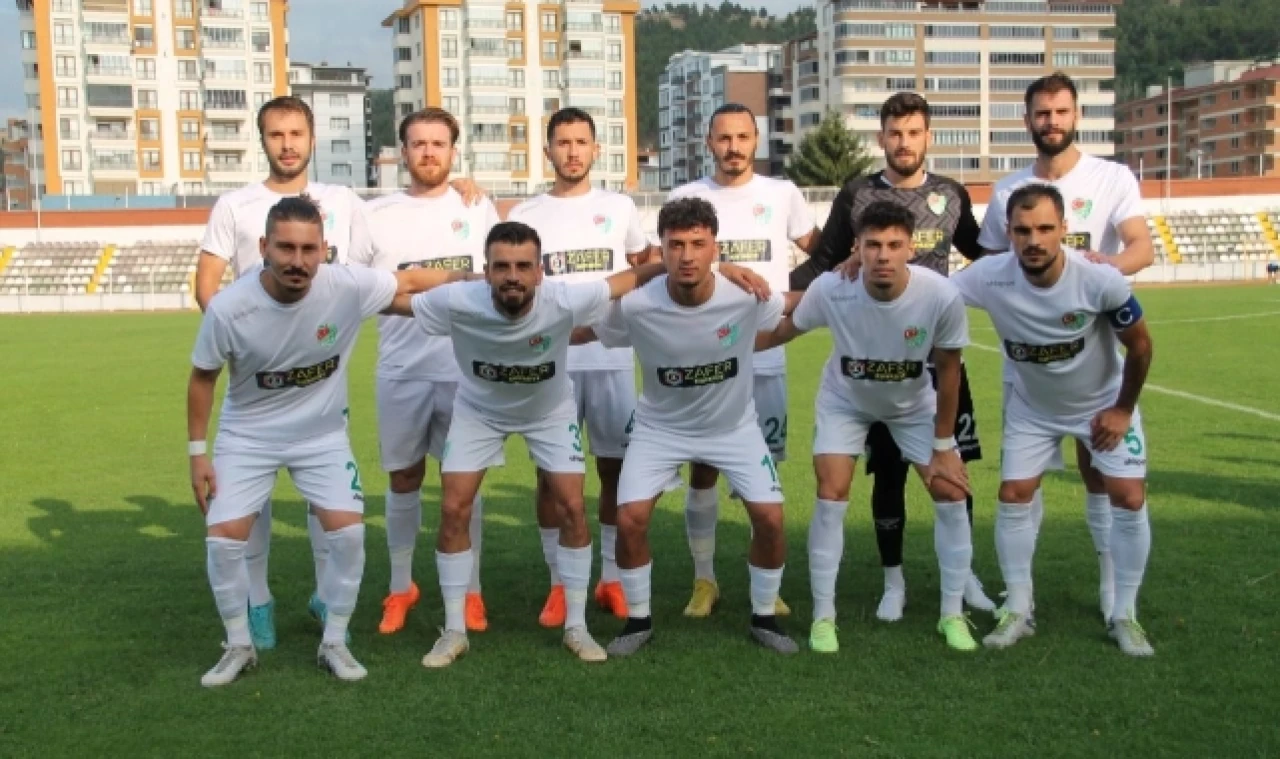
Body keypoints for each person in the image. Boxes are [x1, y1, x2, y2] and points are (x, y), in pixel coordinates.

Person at [187, 195, 474, 687]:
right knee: (223, 538)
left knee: (348, 534)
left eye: (308, 249)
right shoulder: (230, 308)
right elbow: (202, 378)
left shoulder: (344, 285)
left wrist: (473, 279)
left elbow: (407, 281)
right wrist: (198, 454)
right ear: (264, 246)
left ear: (324, 249)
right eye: (286, 248)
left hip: (320, 435)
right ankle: (238, 645)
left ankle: (334, 642)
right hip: (248, 436)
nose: (297, 261)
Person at [790, 91, 994, 622]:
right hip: (876, 355)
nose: (904, 142)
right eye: (895, 133)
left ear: (928, 137)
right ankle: (892, 580)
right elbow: (824, 260)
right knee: (888, 474)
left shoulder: (950, 194)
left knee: (952, 472)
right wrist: (771, 293)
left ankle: (965, 575)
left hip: (936, 355)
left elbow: (982, 254)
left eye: (914, 132)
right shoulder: (857, 194)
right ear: (881, 137)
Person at [575, 197, 796, 656]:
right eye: (676, 245)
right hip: (660, 430)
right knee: (630, 519)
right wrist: (527, 335)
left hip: (734, 428)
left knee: (771, 520)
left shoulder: (745, 295)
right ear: (661, 249)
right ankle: (638, 622)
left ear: (716, 247)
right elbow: (588, 329)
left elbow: (793, 309)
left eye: (698, 244)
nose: (687, 255)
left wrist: (848, 280)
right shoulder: (636, 306)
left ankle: (764, 617)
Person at [760, 201, 978, 653]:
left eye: (894, 245)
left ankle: (952, 614)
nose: (883, 255)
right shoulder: (832, 288)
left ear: (911, 248)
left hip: (912, 406)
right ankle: (824, 618)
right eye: (873, 244)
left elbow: (949, 371)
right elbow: (783, 331)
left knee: (952, 492)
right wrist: (720, 345)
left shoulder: (940, 295)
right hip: (846, 403)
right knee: (831, 492)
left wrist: (943, 446)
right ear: (856, 248)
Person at [194, 95, 371, 651]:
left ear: (312, 139)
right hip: (258, 377)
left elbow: (371, 272)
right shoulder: (236, 205)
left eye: (297, 133)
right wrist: (254, 340)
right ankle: (259, 600)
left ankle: (326, 596)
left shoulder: (343, 200)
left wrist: (461, 188)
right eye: (276, 134)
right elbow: (207, 285)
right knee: (250, 500)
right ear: (263, 140)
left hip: (320, 376)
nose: (287, 144)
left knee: (328, 496)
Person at [977, 73, 1155, 622]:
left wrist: (1097, 275)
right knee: (1020, 487)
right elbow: (992, 269)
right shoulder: (1007, 191)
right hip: (1026, 366)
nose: (1051, 121)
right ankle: (1020, 599)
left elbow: (1142, 247)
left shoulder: (1110, 176)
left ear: (1076, 115)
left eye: (1060, 111)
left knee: (1099, 474)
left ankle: (1112, 588)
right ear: (1027, 120)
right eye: (1042, 113)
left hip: (1091, 350)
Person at [954, 184, 1155, 657]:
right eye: (1022, 230)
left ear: (1064, 228)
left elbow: (1141, 346)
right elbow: (926, 289)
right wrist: (860, 263)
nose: (1034, 240)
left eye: (1045, 228)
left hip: (1102, 404)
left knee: (1128, 496)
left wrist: (1122, 409)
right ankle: (1018, 609)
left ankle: (1124, 614)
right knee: (1013, 494)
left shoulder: (1099, 279)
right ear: (1009, 232)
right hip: (1034, 409)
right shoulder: (988, 276)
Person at [666, 102, 821, 618]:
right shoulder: (686, 197)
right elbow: (668, 263)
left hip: (766, 354)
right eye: (723, 138)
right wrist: (723, 269)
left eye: (742, 137)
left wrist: (789, 295)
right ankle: (704, 579)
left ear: (757, 140)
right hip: (706, 357)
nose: (733, 147)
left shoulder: (782, 193)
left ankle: (765, 584)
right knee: (703, 469)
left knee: (763, 475)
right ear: (709, 143)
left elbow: (818, 252)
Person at [506, 107, 658, 627]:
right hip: (550, 364)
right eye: (563, 142)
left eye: (581, 142)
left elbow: (643, 265)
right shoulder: (528, 212)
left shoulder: (619, 207)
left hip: (611, 359)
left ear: (596, 149)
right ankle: (558, 582)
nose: (572, 152)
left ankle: (611, 577)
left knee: (615, 469)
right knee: (551, 476)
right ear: (547, 150)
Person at [362, 108, 500, 636]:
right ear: (403, 152)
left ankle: (472, 591)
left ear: (453, 151)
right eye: (418, 143)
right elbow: (370, 290)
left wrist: (414, 282)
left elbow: (493, 279)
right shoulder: (376, 214)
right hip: (401, 369)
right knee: (403, 478)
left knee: (464, 484)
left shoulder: (476, 206)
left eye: (438, 143)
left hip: (466, 371)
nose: (428, 152)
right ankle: (401, 587)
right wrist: (450, 279)